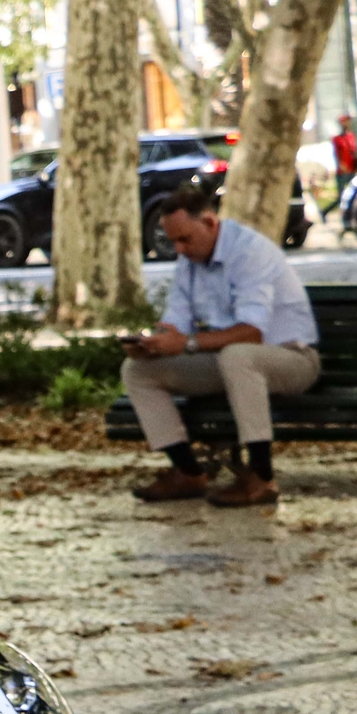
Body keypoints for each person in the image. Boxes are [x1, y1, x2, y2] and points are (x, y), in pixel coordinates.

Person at [121, 180, 320, 508]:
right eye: (173, 242)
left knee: (238, 355)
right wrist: (153, 343)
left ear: (210, 222)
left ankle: (262, 478)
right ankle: (188, 472)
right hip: (231, 361)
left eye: (185, 239)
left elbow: (252, 333)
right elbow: (175, 321)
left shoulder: (250, 252)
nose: (180, 250)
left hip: (293, 358)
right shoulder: (189, 263)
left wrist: (185, 344)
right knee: (138, 370)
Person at [332, 113, 357, 187]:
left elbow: (354, 151)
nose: (347, 123)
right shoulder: (337, 139)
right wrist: (341, 164)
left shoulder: (351, 136)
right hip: (343, 171)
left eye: (348, 121)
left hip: (353, 169)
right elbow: (336, 153)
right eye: (345, 121)